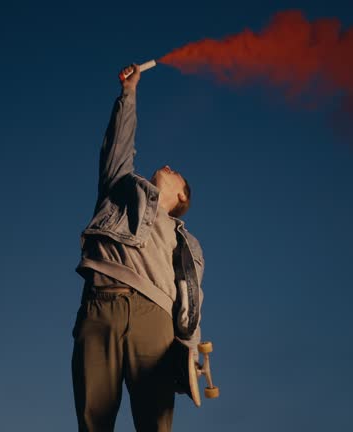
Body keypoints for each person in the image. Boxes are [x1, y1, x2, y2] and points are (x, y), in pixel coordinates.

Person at [71, 64, 206, 432]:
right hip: (101, 308)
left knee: (154, 426)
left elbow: (191, 301)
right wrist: (128, 94)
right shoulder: (122, 189)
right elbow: (118, 144)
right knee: (93, 423)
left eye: (175, 171)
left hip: (155, 320)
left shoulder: (186, 242)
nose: (166, 165)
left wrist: (189, 351)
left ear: (180, 196)